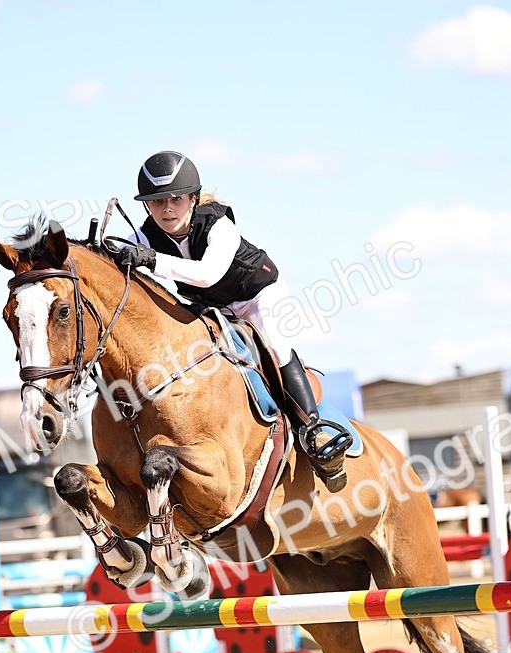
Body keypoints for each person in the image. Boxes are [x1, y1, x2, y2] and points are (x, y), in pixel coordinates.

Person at [111, 150, 353, 492]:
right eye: (156, 201)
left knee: (275, 345)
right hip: (214, 310)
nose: (166, 209)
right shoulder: (149, 233)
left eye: (176, 199)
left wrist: (150, 260)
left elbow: (208, 275)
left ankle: (314, 430)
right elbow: (117, 254)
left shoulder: (217, 224)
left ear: (193, 198)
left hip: (257, 296)